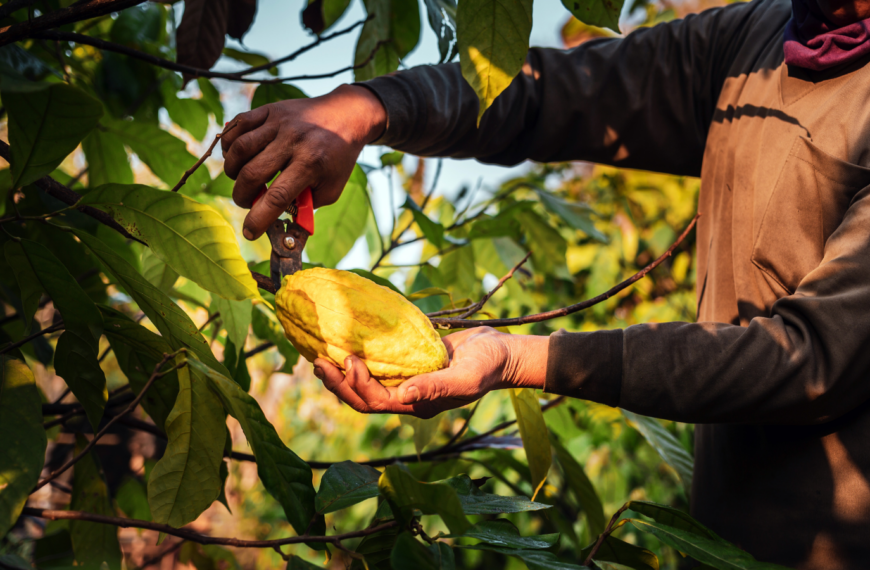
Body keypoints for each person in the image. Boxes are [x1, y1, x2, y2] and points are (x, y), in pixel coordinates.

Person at [221, 0, 870, 565]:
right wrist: (369, 106)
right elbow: (547, 93)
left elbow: (811, 358)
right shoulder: (756, 43)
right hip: (720, 541)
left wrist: (520, 358)